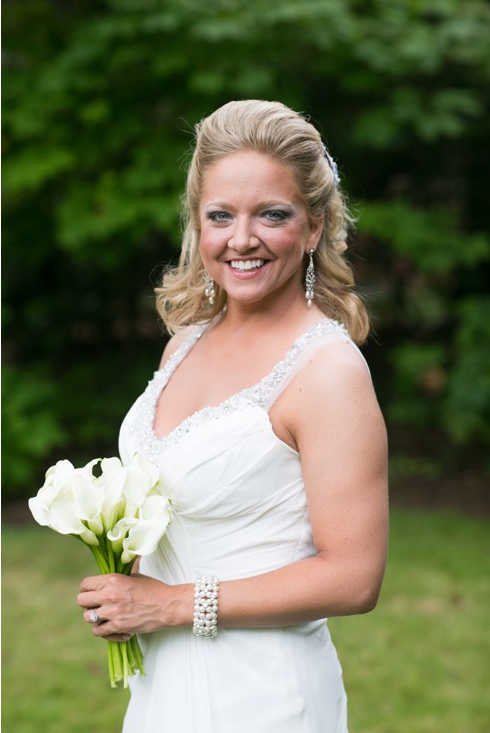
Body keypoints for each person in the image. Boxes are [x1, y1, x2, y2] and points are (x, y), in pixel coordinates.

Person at [75, 100, 388, 732]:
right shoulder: (184, 342)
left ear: (315, 226)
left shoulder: (326, 371)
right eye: (221, 215)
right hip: (165, 685)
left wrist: (169, 606)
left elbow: (354, 577)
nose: (241, 238)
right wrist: (123, 578)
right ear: (198, 224)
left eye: (272, 215)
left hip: (264, 692)